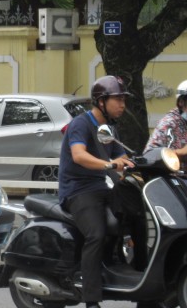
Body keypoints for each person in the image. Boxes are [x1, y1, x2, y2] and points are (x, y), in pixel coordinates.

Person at [58, 75, 135, 308]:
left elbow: (121, 155)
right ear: (101, 101)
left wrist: (132, 164)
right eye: (117, 99)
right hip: (78, 191)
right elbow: (79, 155)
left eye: (124, 100)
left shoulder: (108, 128)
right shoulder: (81, 124)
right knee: (96, 234)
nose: (122, 105)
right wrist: (109, 165)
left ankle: (131, 273)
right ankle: (91, 300)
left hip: (101, 188)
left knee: (135, 217)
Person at [144, 79, 187, 163]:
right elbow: (149, 156)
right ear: (181, 102)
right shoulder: (168, 124)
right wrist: (181, 152)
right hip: (173, 175)